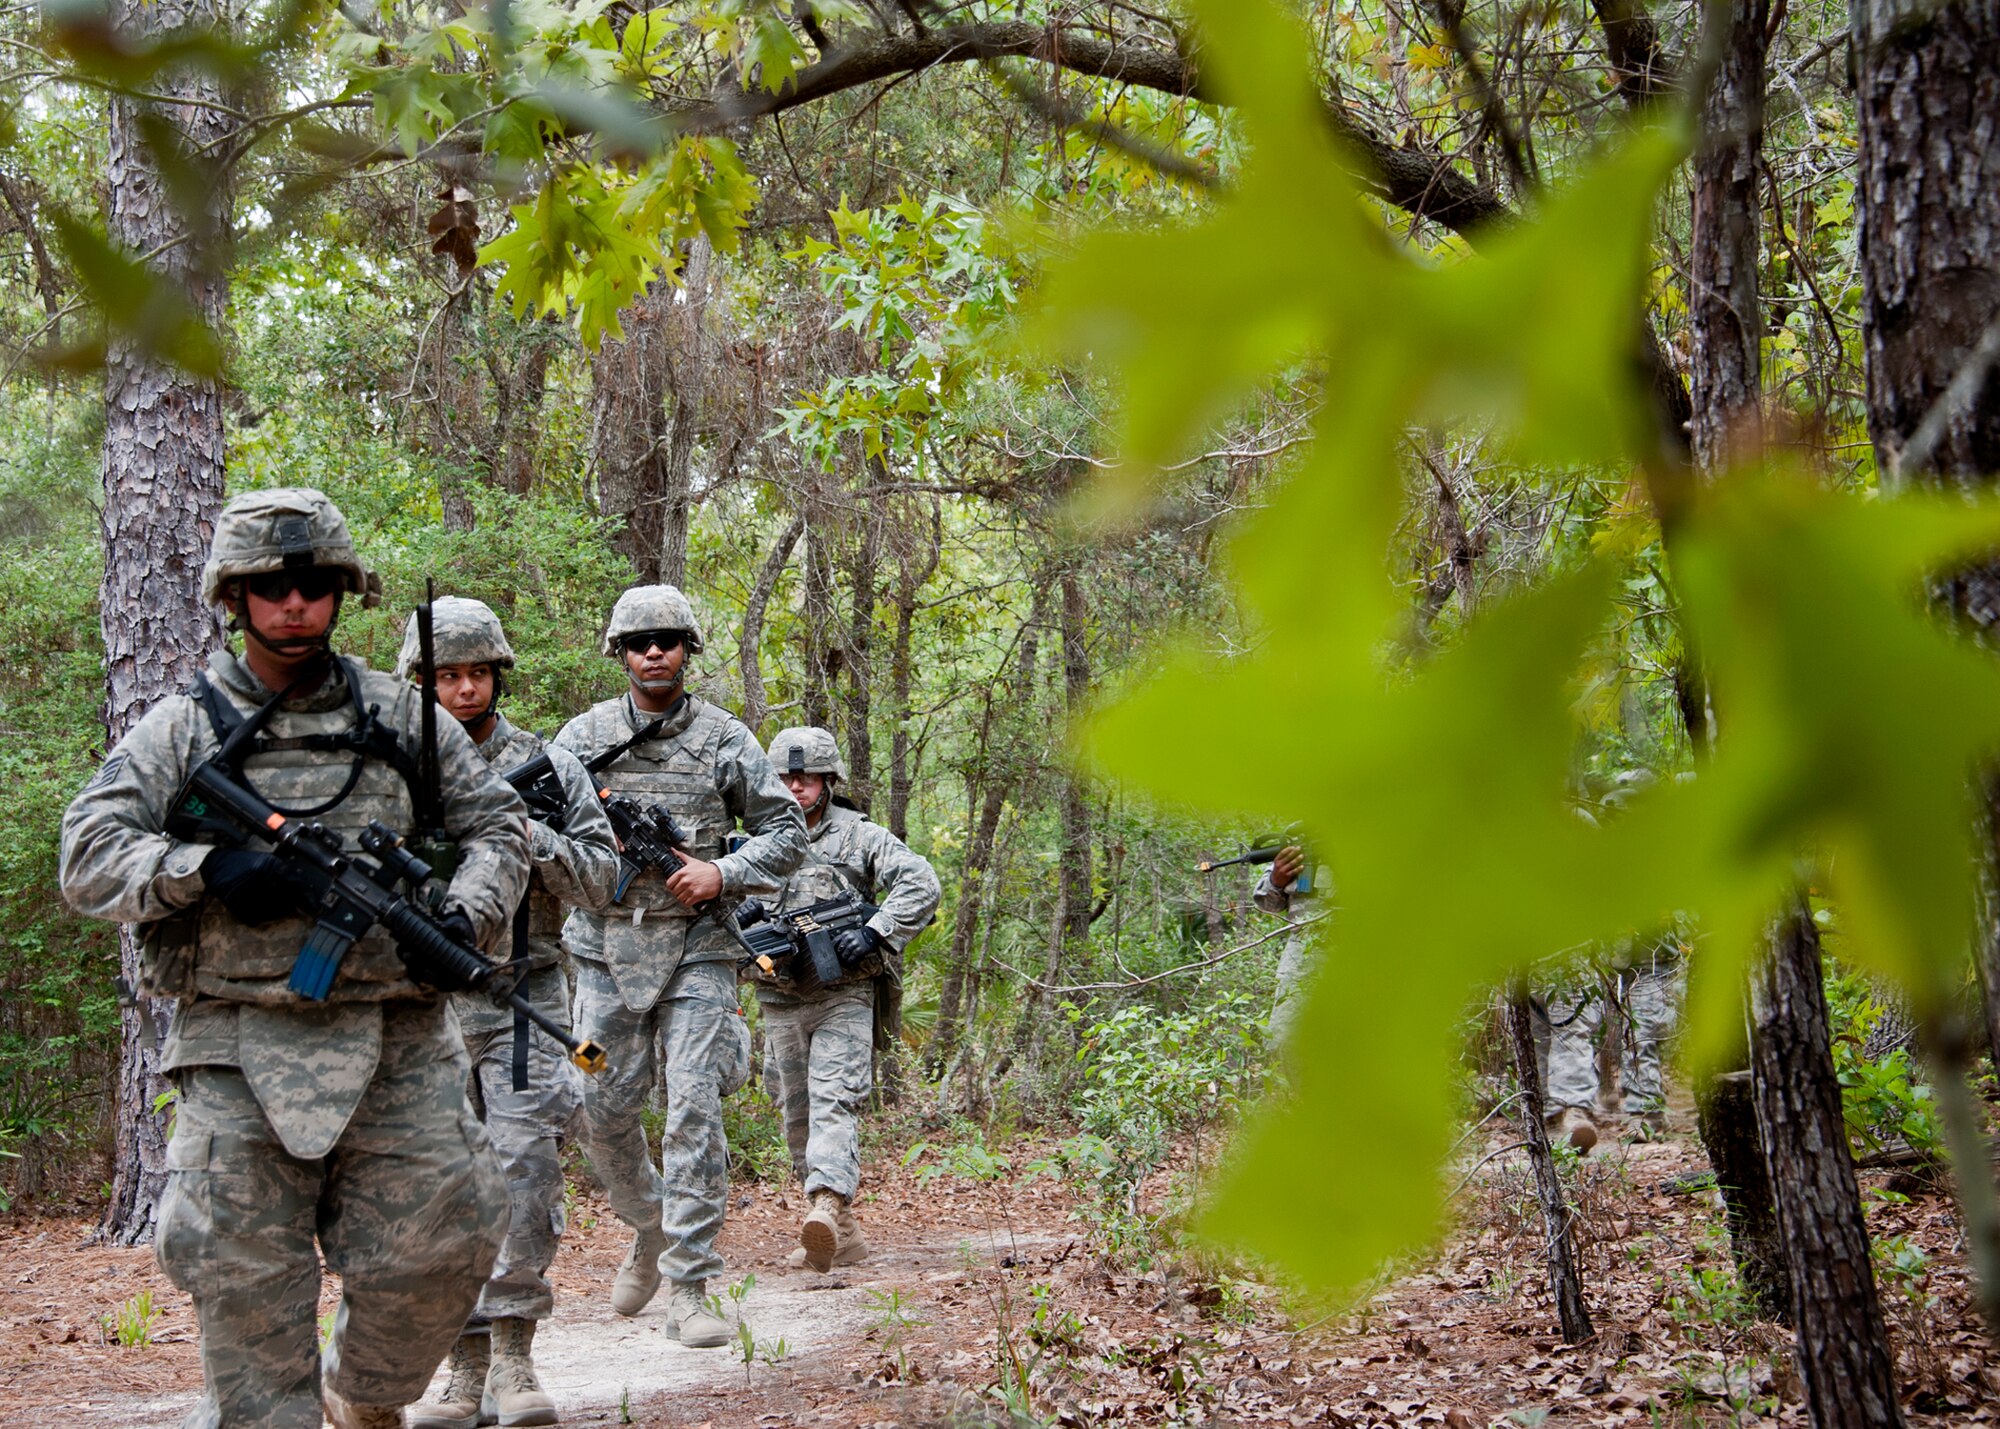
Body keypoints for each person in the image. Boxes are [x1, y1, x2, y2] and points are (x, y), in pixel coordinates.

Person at [59, 488, 527, 1429]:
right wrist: (203, 867)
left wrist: (465, 919)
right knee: (240, 1277)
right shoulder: (183, 726)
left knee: (447, 1249)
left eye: (315, 584)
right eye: (270, 586)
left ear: (343, 593)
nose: (295, 604)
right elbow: (87, 852)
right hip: (236, 1044)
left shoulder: (405, 717)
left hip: (400, 1038)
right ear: (232, 596)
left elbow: (501, 827)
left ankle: (363, 1392)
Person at [554, 585, 805, 1346]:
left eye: (667, 638)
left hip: (700, 954)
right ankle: (651, 1223)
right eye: (639, 640)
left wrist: (719, 874)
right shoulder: (581, 738)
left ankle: (691, 1282)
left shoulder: (727, 739)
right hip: (602, 957)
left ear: (687, 648)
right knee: (595, 1103)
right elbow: (537, 829)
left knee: (694, 1103)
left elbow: (787, 832)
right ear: (620, 653)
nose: (654, 650)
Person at [398, 598, 619, 1429]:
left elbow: (601, 879)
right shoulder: (393, 761)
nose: (462, 689)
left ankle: (515, 1355)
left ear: (497, 674)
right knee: (440, 1186)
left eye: (476, 673)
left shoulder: (548, 765)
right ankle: (464, 1362)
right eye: (445, 674)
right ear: (420, 680)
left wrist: (530, 837)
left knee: (524, 1169)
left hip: (526, 995)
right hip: (424, 1002)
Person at [742, 726, 940, 1272]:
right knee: (796, 1115)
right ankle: (840, 1230)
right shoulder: (753, 841)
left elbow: (921, 882)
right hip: (779, 997)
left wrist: (876, 931)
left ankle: (827, 1208)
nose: (796, 785)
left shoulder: (859, 837)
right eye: (784, 776)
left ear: (829, 781)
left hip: (843, 995)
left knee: (833, 1099)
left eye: (806, 776)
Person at [1252, 844, 1327, 1048]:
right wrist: (1276, 880)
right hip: (1303, 955)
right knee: (1284, 1041)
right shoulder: (1303, 838)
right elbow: (1267, 905)